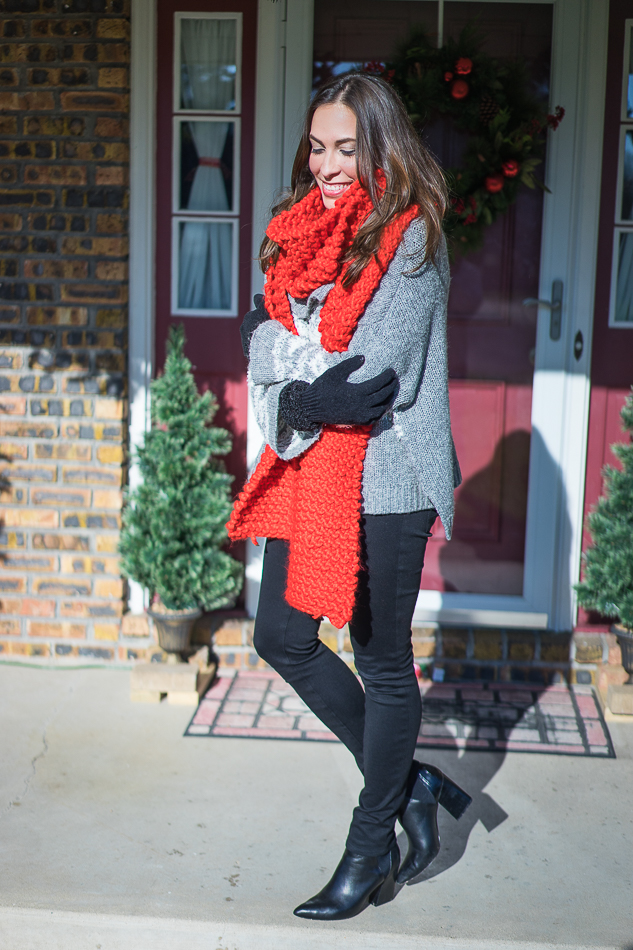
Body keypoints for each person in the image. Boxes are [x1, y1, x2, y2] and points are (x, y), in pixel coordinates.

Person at [228, 73, 472, 922]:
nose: (327, 164)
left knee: (379, 660)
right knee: (281, 636)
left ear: (381, 147)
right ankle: (407, 781)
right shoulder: (305, 234)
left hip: (389, 477)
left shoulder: (409, 239)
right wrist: (297, 382)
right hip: (317, 471)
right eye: (317, 146)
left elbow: (364, 384)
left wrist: (290, 374)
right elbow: (267, 344)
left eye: (346, 147)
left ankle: (370, 846)